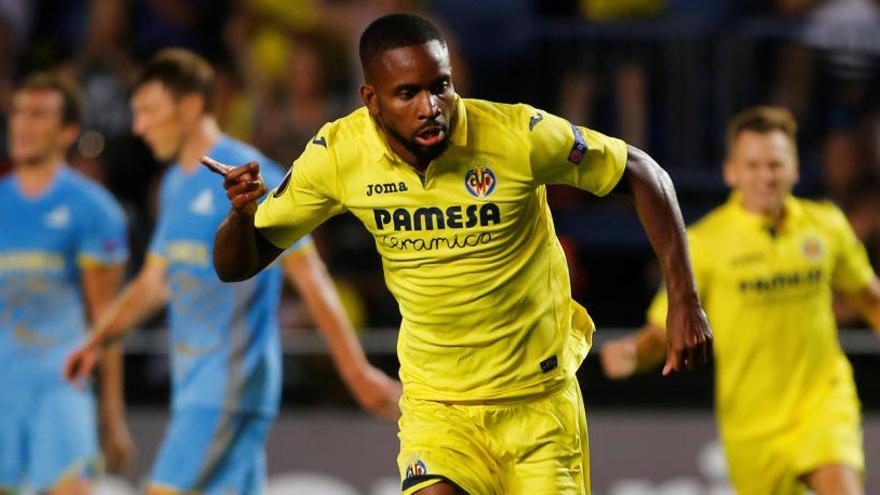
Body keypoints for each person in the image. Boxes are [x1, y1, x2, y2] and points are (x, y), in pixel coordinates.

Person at [210, 13, 713, 495]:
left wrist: (684, 300)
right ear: (371, 99)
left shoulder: (518, 136)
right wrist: (241, 215)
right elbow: (236, 264)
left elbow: (645, 173)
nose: (431, 106)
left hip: (536, 405)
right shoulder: (340, 154)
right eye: (408, 93)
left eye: (441, 86)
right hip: (438, 406)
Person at [64, 48, 401, 495]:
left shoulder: (250, 176)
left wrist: (356, 371)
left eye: (148, 111)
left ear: (189, 106)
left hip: (228, 388)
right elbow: (154, 283)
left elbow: (310, 274)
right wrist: (97, 338)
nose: (139, 127)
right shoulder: (173, 184)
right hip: (194, 390)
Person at [601, 106, 880, 495]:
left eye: (775, 164)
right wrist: (633, 352)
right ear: (731, 171)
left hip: (822, 403)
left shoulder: (827, 225)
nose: (766, 176)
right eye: (753, 166)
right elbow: (664, 329)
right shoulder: (705, 243)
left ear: (795, 168)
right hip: (750, 426)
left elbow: (869, 298)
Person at [0, 73, 133, 494]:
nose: (23, 124)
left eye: (39, 115)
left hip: (60, 397)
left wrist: (112, 418)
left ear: (67, 132)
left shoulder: (93, 211)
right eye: (19, 111)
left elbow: (106, 322)